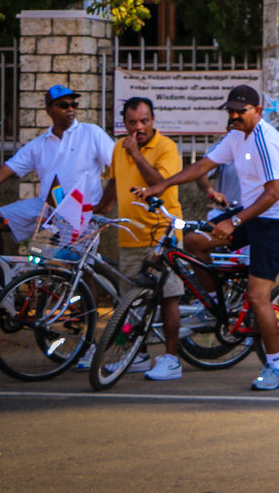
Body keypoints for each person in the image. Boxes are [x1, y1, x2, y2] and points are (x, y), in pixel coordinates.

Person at [137, 84, 279, 392]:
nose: (234, 116)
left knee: (258, 295)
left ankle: (276, 367)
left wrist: (234, 221)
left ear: (258, 111)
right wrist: (163, 185)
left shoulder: (266, 140)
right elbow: (204, 166)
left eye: (241, 111)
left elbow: (273, 194)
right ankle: (215, 303)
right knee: (194, 242)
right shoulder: (237, 136)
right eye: (230, 111)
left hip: (277, 220)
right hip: (252, 213)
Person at [0, 85, 115, 253]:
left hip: (79, 212)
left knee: (69, 265)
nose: (70, 109)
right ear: (49, 110)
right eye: (64, 105)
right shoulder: (38, 145)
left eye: (73, 104)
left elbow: (118, 166)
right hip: (46, 208)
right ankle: (0, 273)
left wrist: (105, 204)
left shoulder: (92, 133)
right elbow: (3, 172)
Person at [97, 96, 186, 381]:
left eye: (144, 121)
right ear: (124, 123)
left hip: (163, 235)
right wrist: (99, 211)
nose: (139, 128)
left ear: (153, 120)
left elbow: (159, 184)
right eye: (132, 122)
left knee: (168, 297)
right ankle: (137, 353)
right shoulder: (118, 148)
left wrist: (136, 154)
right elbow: (114, 182)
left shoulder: (166, 147)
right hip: (130, 235)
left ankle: (171, 358)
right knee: (130, 301)